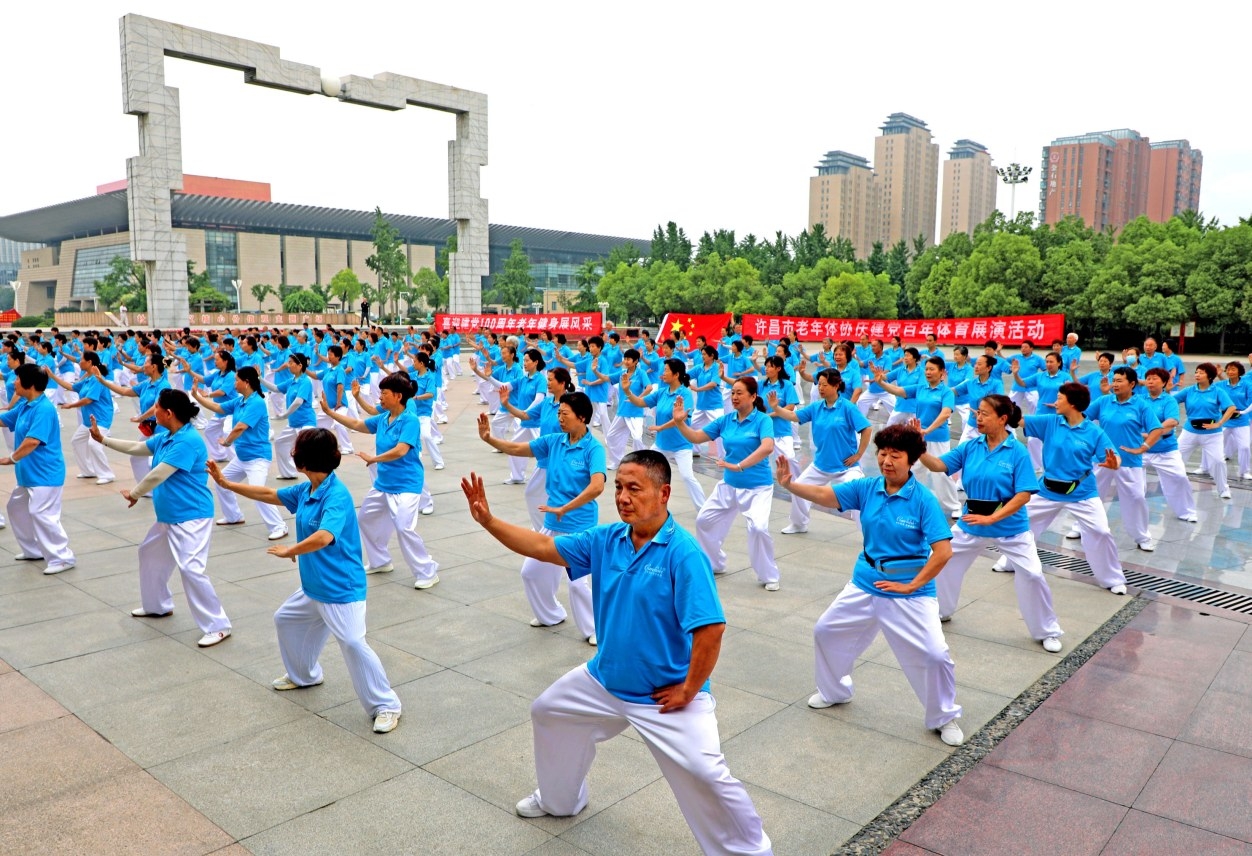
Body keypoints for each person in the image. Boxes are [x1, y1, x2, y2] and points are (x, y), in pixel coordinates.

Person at [459, 451, 773, 855]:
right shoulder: (607, 539)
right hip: (603, 680)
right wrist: (488, 521)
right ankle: (560, 800)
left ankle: (750, 850)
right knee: (549, 712)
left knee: (706, 773)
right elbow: (542, 545)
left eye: (634, 489)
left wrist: (689, 689)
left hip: (662, 695)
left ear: (664, 494)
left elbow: (711, 629)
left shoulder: (683, 553)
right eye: (619, 487)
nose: (623, 497)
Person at [775, 424, 965, 747]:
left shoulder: (923, 500)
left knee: (935, 654)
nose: (886, 461)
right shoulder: (868, 488)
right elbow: (827, 495)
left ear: (912, 460)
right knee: (826, 631)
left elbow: (943, 552)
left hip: (909, 591)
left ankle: (944, 717)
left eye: (895, 455)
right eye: (882, 453)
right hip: (865, 582)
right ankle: (834, 691)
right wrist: (791, 485)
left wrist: (912, 586)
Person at [209, 428, 401, 734]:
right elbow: (270, 495)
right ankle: (304, 676)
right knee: (285, 619)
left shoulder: (335, 496)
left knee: (353, 642)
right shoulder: (309, 489)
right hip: (314, 587)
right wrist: (227, 484)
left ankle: (386, 705)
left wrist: (291, 550)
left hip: (340, 589)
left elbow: (324, 536)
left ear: (303, 461)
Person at [914, 394, 1064, 652]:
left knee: (1032, 574)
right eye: (977, 412)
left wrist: (993, 517)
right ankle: (940, 610)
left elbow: (1024, 494)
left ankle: (1047, 631)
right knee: (941, 559)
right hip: (972, 522)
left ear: (1003, 419)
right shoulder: (971, 446)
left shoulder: (1017, 451)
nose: (978, 418)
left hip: (1011, 527)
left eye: (984, 413)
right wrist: (920, 448)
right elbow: (938, 465)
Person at [91, 390, 232, 647]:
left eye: (156, 407)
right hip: (169, 516)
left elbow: (159, 473)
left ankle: (218, 626)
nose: (152, 410)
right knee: (149, 554)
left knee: (191, 568)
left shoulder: (187, 441)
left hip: (191, 516)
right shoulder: (167, 436)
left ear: (168, 413)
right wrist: (103, 440)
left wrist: (135, 493)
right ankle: (157, 606)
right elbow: (137, 447)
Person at [477, 391, 603, 644]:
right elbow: (517, 448)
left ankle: (595, 630)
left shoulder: (594, 448)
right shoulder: (554, 441)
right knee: (531, 572)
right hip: (552, 524)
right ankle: (551, 614)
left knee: (578, 584)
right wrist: (489, 438)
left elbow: (597, 486)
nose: (560, 418)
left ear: (582, 417)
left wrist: (566, 508)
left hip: (580, 527)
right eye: (559, 413)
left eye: (565, 414)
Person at [993, 382, 1128, 594]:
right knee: (1021, 522)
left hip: (1082, 493)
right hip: (1047, 490)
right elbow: (1019, 421)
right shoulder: (1050, 422)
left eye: (1059, 399)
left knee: (1101, 532)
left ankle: (1112, 579)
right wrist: (1006, 409)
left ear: (1072, 403)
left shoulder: (1094, 432)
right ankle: (1010, 562)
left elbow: (1114, 456)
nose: (1055, 402)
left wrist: (1115, 463)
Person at [321, 371, 441, 587]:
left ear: (398, 396)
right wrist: (330, 412)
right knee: (365, 519)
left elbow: (401, 450)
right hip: (383, 484)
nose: (380, 397)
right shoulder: (384, 418)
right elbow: (357, 424)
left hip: (407, 485)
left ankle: (427, 572)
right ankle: (380, 561)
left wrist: (374, 458)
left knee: (404, 527)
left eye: (384, 393)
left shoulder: (410, 420)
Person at [673, 377, 781, 591]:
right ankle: (715, 563)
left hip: (757, 487)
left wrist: (739, 466)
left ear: (753, 396)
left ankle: (768, 575)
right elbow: (696, 437)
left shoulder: (763, 420)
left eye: (739, 393)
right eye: (732, 393)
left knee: (758, 528)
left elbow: (768, 447)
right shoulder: (726, 420)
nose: (734, 397)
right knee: (704, 520)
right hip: (729, 485)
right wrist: (679, 422)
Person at [193, 365, 289, 540]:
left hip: (258, 458)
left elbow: (240, 427)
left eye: (236, 380)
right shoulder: (240, 401)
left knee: (258, 492)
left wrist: (227, 442)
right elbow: (218, 408)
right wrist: (197, 396)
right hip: (242, 457)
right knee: (221, 482)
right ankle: (233, 516)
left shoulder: (256, 402)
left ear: (246, 382)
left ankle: (279, 526)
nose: (234, 383)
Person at [771, 369, 871, 534]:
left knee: (859, 496)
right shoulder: (816, 407)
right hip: (820, 465)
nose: (820, 388)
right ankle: (799, 524)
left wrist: (859, 454)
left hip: (846, 467)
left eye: (825, 385)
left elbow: (867, 428)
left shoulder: (847, 407)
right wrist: (776, 408)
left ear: (836, 385)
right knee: (798, 488)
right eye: (819, 385)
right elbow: (794, 416)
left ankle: (869, 536)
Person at [0, 363, 76, 574]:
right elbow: (3, 420)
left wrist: (11, 458)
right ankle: (33, 550)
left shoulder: (43, 409)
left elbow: (33, 441)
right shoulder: (26, 405)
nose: (14, 383)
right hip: (29, 474)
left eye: (17, 379)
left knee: (42, 514)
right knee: (16, 508)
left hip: (45, 474)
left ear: (30, 384)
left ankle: (63, 558)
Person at [1086, 367, 1165, 552]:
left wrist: (1143, 448)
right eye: (1114, 380)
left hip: (1130, 461)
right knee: (1090, 496)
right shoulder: (1104, 401)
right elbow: (1082, 418)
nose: (1115, 384)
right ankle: (1082, 528)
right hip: (1103, 459)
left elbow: (1157, 429)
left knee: (1136, 498)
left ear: (1132, 384)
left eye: (1119, 381)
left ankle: (1142, 536)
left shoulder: (1141, 405)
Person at [626, 357, 707, 512]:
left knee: (687, 477)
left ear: (676, 374)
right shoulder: (662, 392)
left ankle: (704, 509)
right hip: (661, 445)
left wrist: (661, 427)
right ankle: (648, 505)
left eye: (666, 370)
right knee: (647, 472)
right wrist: (627, 391)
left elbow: (680, 418)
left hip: (681, 445)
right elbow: (640, 402)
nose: (663, 373)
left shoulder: (684, 394)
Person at [46, 350, 117, 485]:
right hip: (88, 420)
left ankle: (107, 474)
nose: (79, 361)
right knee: (77, 441)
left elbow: (89, 399)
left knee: (94, 444)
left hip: (101, 419)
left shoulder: (97, 379)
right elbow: (71, 386)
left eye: (82, 359)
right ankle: (88, 471)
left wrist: (71, 405)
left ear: (89, 362)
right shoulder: (87, 379)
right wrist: (52, 376)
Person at [1141, 368, 1198, 523]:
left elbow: (1172, 421)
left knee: (1180, 477)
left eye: (1154, 378)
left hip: (1165, 449)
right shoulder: (1139, 399)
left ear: (1164, 382)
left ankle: (1187, 512)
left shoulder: (1169, 400)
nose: (1150, 381)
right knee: (1134, 485)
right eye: (1148, 378)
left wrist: (1151, 433)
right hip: (1141, 449)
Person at [1174, 362, 1237, 499]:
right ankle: (1174, 486)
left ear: (1209, 376)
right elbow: (1171, 401)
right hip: (1189, 432)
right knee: (1176, 458)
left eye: (1201, 372)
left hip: (1212, 434)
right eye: (1196, 372)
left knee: (1218, 461)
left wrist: (1219, 423)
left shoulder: (1218, 391)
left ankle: (1223, 489)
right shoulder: (1189, 390)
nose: (1197, 374)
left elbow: (1231, 408)